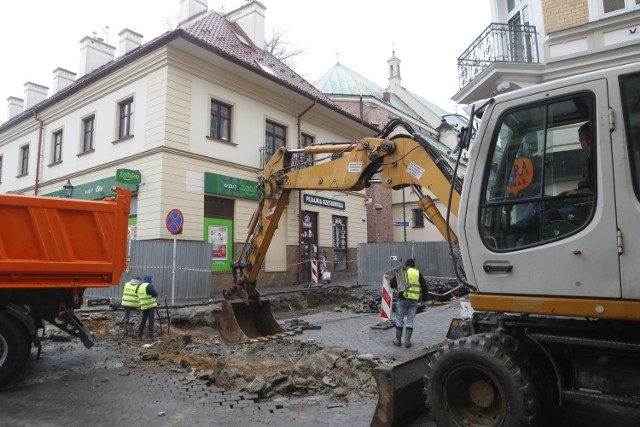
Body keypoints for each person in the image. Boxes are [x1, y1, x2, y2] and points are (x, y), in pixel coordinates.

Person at [510, 122, 592, 238]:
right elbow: (588, 187)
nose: (584, 144)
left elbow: (598, 193)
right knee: (539, 198)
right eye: (581, 140)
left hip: (585, 207)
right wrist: (573, 191)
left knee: (543, 214)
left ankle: (521, 234)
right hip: (579, 200)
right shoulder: (590, 158)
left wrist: (577, 193)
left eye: (584, 139)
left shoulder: (597, 160)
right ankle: (520, 229)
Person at [388, 259, 429, 348]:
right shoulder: (417, 273)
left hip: (403, 299)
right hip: (414, 301)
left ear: (406, 265)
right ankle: (407, 342)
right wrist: (424, 299)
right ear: (414, 266)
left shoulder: (402, 272)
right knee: (410, 321)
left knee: (399, 319)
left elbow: (392, 284)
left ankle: (398, 340)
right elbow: (424, 288)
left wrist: (392, 279)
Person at [137, 275, 159, 340]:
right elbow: (155, 294)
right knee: (151, 320)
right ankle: (151, 336)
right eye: (151, 279)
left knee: (143, 320)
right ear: (149, 279)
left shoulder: (140, 286)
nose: (152, 280)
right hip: (150, 305)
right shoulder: (149, 286)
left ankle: (139, 335)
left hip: (144, 305)